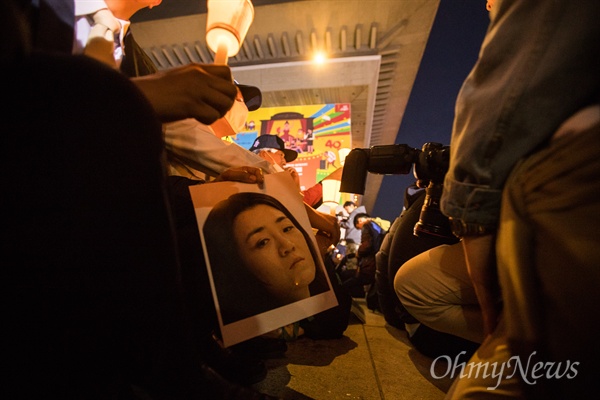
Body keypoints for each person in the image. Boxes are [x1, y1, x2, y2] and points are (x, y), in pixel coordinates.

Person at [435, 0, 599, 398]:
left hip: (567, 189)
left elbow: (498, 110)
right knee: (416, 284)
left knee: (477, 390)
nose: (489, 5)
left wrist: (474, 224)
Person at [203, 192, 330, 324]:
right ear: (238, 265)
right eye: (262, 242)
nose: (287, 245)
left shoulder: (329, 301)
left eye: (287, 228)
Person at [249, 134, 324, 208]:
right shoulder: (253, 184)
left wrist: (295, 187)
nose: (285, 162)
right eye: (281, 155)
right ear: (264, 154)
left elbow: (300, 209)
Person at [339, 212, 386, 298]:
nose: (360, 229)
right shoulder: (377, 225)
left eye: (358, 228)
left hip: (369, 264)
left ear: (360, 221)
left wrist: (358, 253)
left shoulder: (367, 225)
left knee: (345, 285)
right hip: (377, 261)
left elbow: (367, 244)